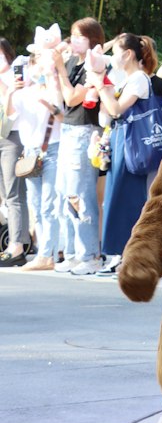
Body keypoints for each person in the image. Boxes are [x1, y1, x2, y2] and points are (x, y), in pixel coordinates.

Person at [91, 33, 162, 276]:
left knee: (128, 200)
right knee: (115, 198)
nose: (113, 58)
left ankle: (131, 256)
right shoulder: (126, 80)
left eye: (116, 53)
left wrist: (101, 85)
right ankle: (118, 254)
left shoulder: (139, 80)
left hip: (133, 145)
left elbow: (116, 109)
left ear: (128, 54)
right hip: (121, 142)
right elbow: (107, 115)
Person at [50, 18, 105, 274]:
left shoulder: (94, 66)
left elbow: (74, 97)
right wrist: (56, 68)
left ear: (93, 39)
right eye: (71, 34)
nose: (73, 39)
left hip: (85, 131)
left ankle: (90, 254)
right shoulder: (72, 63)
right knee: (64, 193)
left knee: (80, 194)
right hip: (68, 129)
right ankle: (72, 252)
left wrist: (61, 71)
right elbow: (61, 99)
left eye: (78, 35)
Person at [10, 53, 64, 270]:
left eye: (42, 67)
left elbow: (63, 117)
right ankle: (45, 251)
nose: (38, 71)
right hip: (31, 152)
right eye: (35, 66)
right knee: (36, 204)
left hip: (53, 148)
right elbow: (10, 115)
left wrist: (50, 105)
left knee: (49, 203)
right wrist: (12, 90)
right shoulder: (23, 94)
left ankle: (47, 255)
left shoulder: (55, 89)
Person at [0, 39, 32, 266]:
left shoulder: (18, 76)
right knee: (6, 194)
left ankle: (17, 245)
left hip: (13, 137)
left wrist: (8, 89)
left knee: (14, 193)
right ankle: (17, 241)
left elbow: (13, 112)